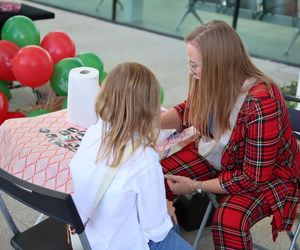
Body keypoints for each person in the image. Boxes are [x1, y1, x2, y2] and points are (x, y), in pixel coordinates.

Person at [161, 20, 300, 249]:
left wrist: (196, 185)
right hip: (223, 156)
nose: (191, 70)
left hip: (269, 174)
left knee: (229, 220)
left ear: (218, 65)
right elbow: (189, 109)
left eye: (194, 64)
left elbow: (253, 178)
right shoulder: (212, 81)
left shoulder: (261, 101)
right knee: (154, 176)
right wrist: (146, 122)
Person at [70, 62, 193, 250]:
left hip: (89, 238)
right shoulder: (145, 159)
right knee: (170, 224)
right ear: (150, 107)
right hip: (125, 243)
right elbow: (155, 231)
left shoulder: (94, 131)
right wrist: (166, 208)